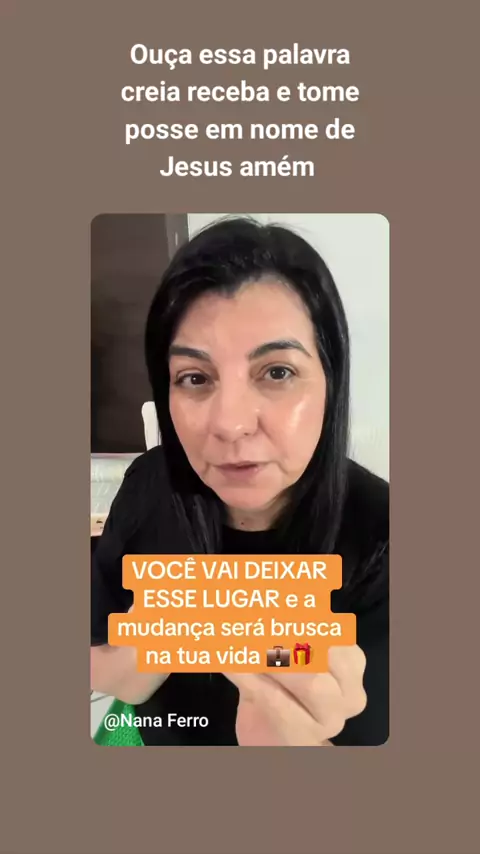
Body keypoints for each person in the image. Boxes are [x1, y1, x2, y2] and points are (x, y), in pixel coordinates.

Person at [91, 216, 389, 746]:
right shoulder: (147, 485)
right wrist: (178, 626)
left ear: (331, 383)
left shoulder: (386, 535)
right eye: (195, 378)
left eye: (277, 372)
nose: (230, 424)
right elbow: (111, 672)